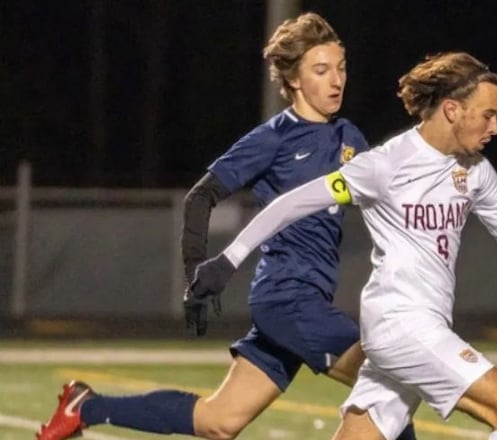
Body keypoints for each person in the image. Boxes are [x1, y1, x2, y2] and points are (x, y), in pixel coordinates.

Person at [36, 12, 417, 440]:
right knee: (388, 388)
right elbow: (201, 197)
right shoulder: (274, 138)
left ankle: (85, 407)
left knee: (219, 421)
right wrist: (196, 275)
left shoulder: (350, 138)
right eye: (321, 70)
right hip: (288, 300)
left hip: (305, 301)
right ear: (293, 79)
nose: (337, 80)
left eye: (341, 68)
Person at [188, 52, 497, 440]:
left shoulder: (475, 171)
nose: (496, 127)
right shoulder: (386, 165)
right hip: (402, 324)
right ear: (452, 110)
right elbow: (292, 203)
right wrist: (228, 260)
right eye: (488, 115)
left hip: (420, 323)